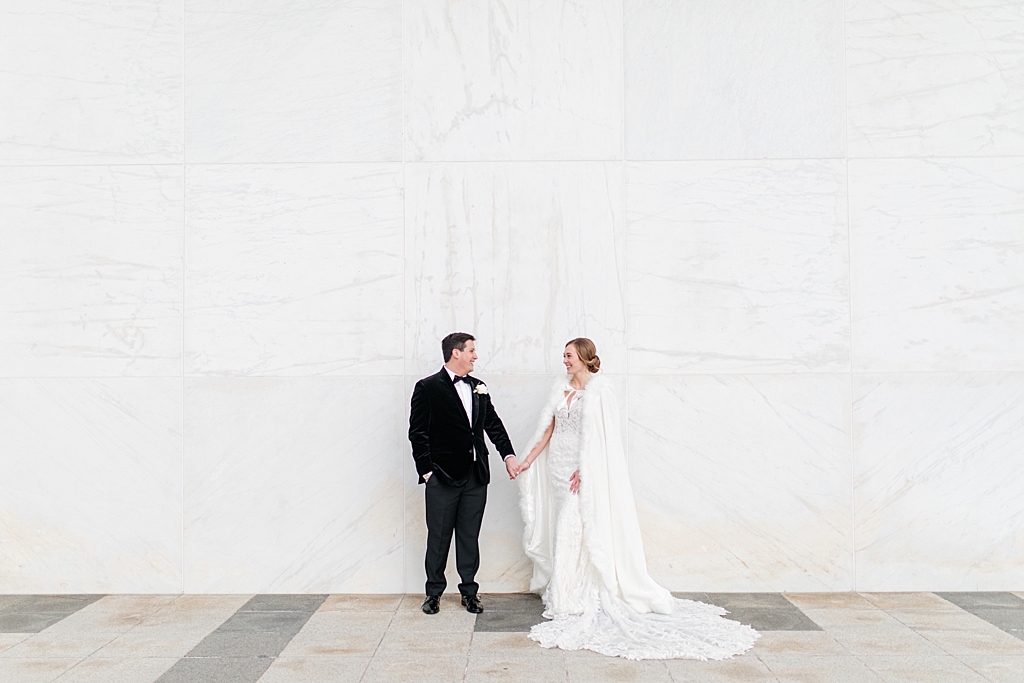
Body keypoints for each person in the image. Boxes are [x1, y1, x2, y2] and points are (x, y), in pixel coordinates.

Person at [514, 338, 758, 660]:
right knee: (564, 525)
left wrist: (587, 470)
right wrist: (528, 461)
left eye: (569, 356)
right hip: (557, 469)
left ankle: (570, 595)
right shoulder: (560, 389)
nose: (564, 361)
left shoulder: (601, 391)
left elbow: (606, 440)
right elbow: (547, 429)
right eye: (563, 356)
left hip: (580, 470)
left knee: (571, 527)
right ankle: (566, 588)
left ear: (586, 358)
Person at [408, 332, 521, 615]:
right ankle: (433, 593)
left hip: (475, 476)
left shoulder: (478, 387)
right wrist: (427, 472)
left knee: (469, 536)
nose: (475, 356)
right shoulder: (427, 387)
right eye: (471, 350)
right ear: (455, 353)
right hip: (442, 477)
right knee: (439, 537)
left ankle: (469, 592)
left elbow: (493, 425)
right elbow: (417, 434)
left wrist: (507, 455)